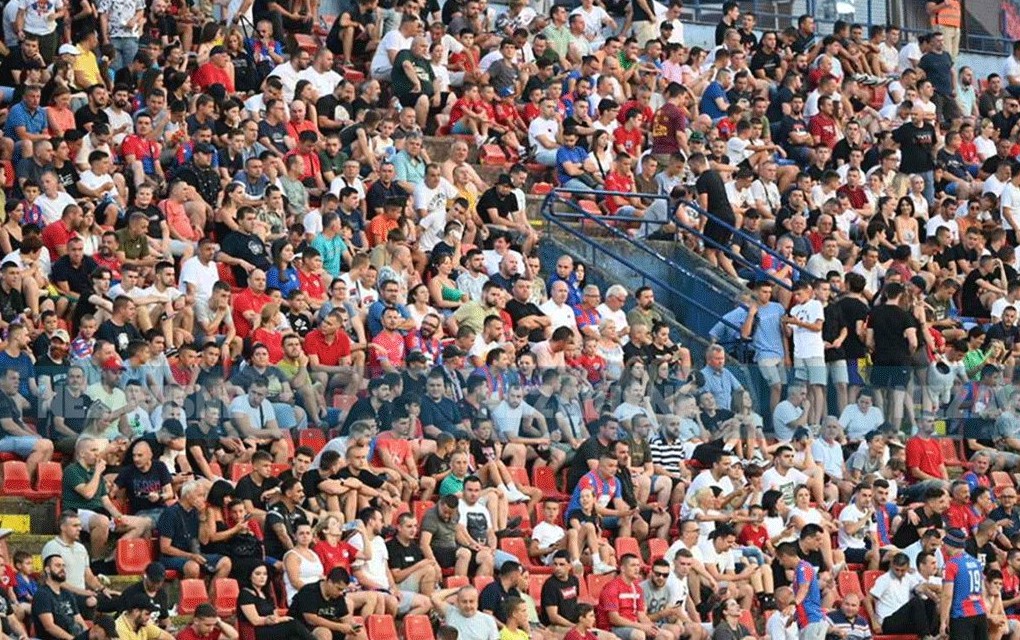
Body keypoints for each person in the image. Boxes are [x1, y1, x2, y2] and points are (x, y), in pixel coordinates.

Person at [940, 528, 988, 640]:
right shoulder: (976, 562)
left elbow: (947, 595)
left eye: (945, 543)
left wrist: (943, 621)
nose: (943, 546)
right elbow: (983, 590)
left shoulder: (951, 565)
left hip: (962, 616)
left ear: (951, 544)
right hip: (980, 613)